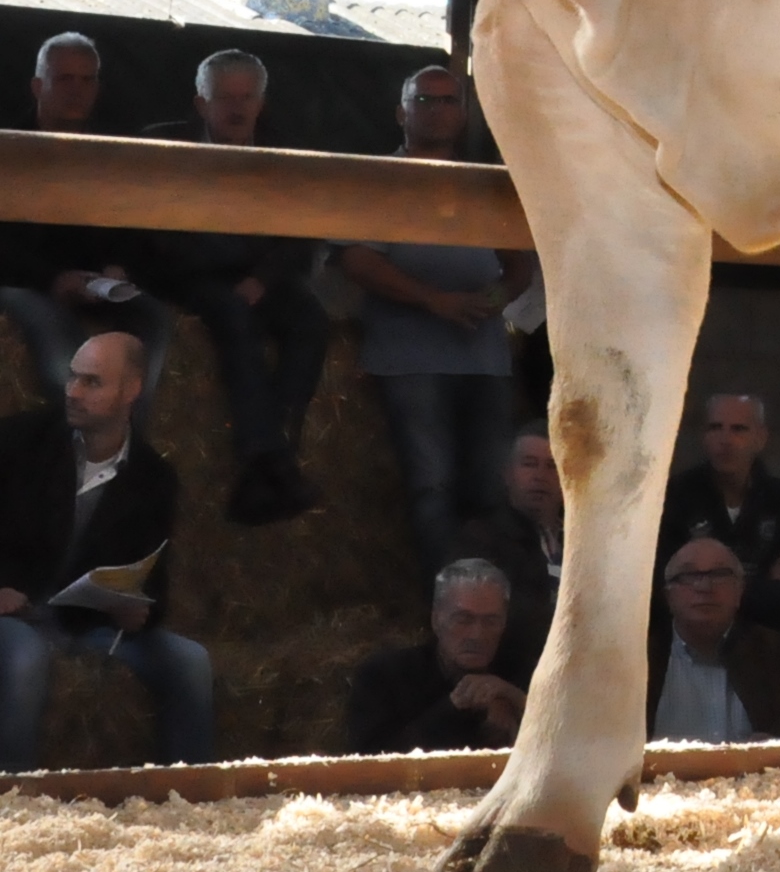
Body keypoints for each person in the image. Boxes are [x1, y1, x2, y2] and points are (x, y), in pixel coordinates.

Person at [339, 67, 530, 579]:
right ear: (402, 112)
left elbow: (519, 265)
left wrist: (493, 297)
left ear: (463, 114)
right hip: (411, 357)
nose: (438, 109)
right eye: (425, 99)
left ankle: (490, 606)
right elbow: (356, 260)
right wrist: (435, 301)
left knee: (492, 487)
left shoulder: (483, 182)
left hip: (483, 356)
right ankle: (445, 606)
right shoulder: (380, 178)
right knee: (432, 485)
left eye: (449, 100)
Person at [0, 331, 214, 769]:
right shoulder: (20, 442)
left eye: (92, 382)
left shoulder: (153, 478)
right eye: (72, 377)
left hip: (87, 623)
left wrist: (138, 611)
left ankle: (190, 799)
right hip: (15, 612)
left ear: (131, 390)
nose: (73, 392)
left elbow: (153, 580)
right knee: (26, 660)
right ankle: (12, 800)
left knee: (192, 661)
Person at [140, 51, 327, 525]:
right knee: (231, 316)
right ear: (201, 103)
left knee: (309, 319)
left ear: (262, 103)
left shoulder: (285, 153)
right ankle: (274, 460)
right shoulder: (163, 147)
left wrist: (262, 279)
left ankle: (268, 458)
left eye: (248, 98)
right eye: (226, 98)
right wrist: (219, 274)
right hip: (187, 275)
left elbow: (302, 233)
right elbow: (151, 236)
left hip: (256, 275)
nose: (237, 109)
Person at [0, 33, 172, 411]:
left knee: (151, 318)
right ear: (37, 86)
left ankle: (122, 453)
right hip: (21, 281)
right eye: (64, 79)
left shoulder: (111, 151)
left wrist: (116, 267)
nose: (77, 90)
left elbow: (131, 223)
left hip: (93, 281)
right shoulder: (9, 149)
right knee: (62, 342)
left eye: (87, 79)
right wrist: (52, 279)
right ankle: (75, 452)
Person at [344, 558, 532, 753]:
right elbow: (371, 760)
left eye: (491, 621)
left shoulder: (524, 673)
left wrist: (514, 699)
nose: (477, 635)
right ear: (436, 620)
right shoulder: (385, 677)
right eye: (463, 619)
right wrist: (455, 706)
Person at [647, 536, 780, 742]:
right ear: (668, 596)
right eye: (688, 575)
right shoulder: (640, 660)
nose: (704, 587)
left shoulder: (779, 656)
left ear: (740, 591)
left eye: (720, 574)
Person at [659, 392, 780, 629]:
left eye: (738, 429)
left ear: (760, 438)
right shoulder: (676, 496)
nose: (725, 439)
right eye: (715, 427)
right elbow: (665, 594)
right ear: (703, 436)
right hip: (685, 645)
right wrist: (765, 582)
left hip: (762, 646)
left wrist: (714, 591)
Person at [457, 421, 562, 666]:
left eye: (552, 466)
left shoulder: (585, 542)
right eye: (529, 464)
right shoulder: (480, 539)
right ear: (507, 474)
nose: (540, 476)